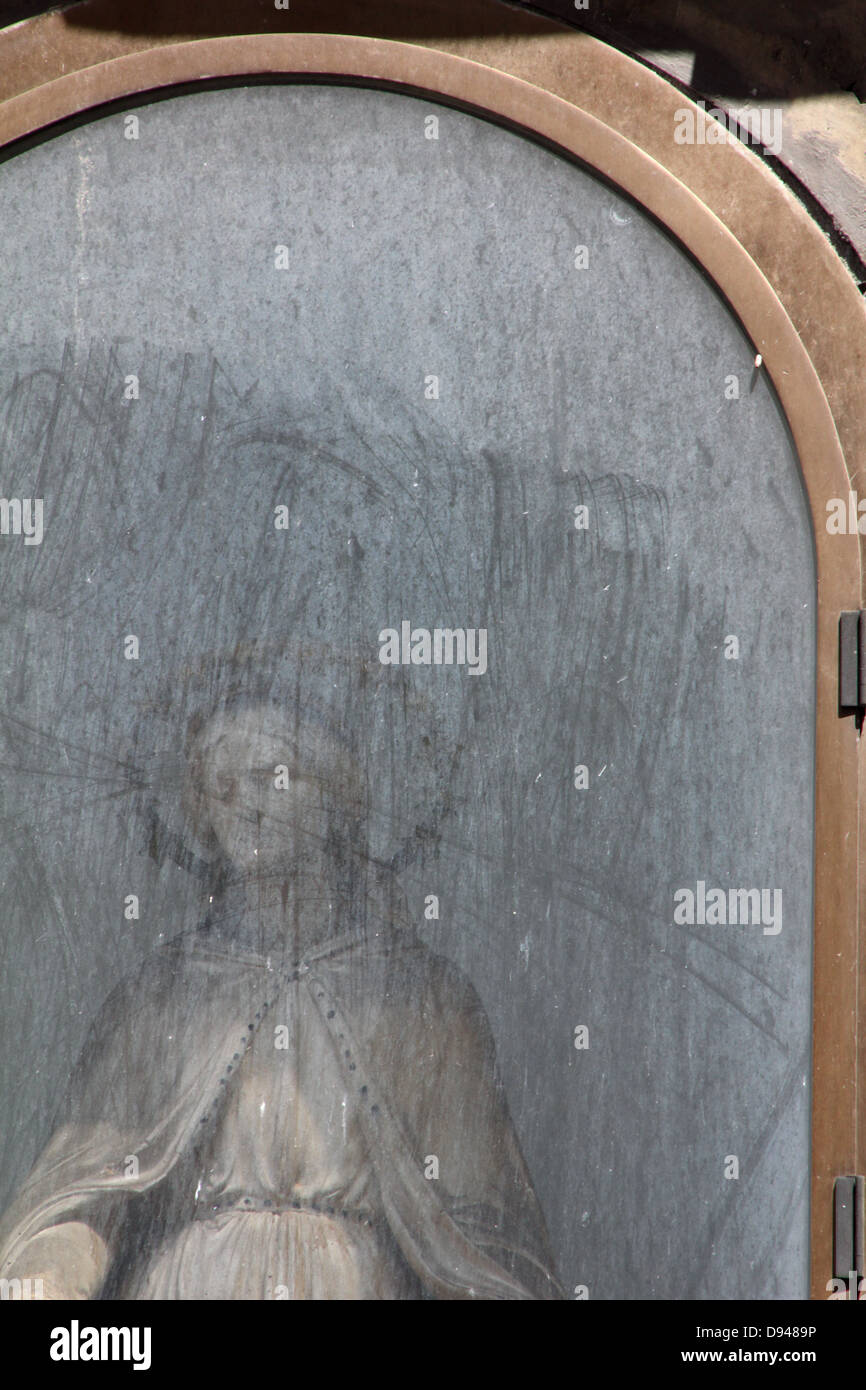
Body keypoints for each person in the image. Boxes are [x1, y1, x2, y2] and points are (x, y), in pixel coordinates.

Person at [0, 697, 562, 1299]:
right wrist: (49, 1276)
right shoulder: (160, 999)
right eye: (223, 787)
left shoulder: (421, 999)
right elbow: (84, 1195)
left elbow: (479, 1226)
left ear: (335, 796)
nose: (248, 806)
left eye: (274, 776)